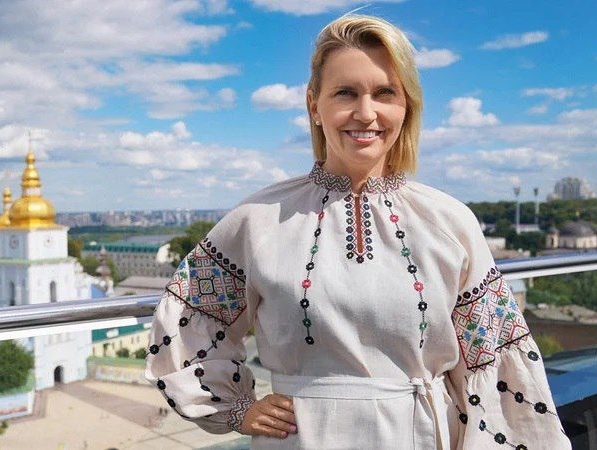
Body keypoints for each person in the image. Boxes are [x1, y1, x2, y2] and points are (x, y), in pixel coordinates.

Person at [144, 13, 571, 450]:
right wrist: (234, 408)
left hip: (418, 437)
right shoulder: (258, 219)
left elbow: (492, 360)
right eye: (345, 92)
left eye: (385, 93)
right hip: (300, 438)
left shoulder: (450, 221)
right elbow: (187, 318)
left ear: (407, 107)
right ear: (314, 105)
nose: (366, 113)